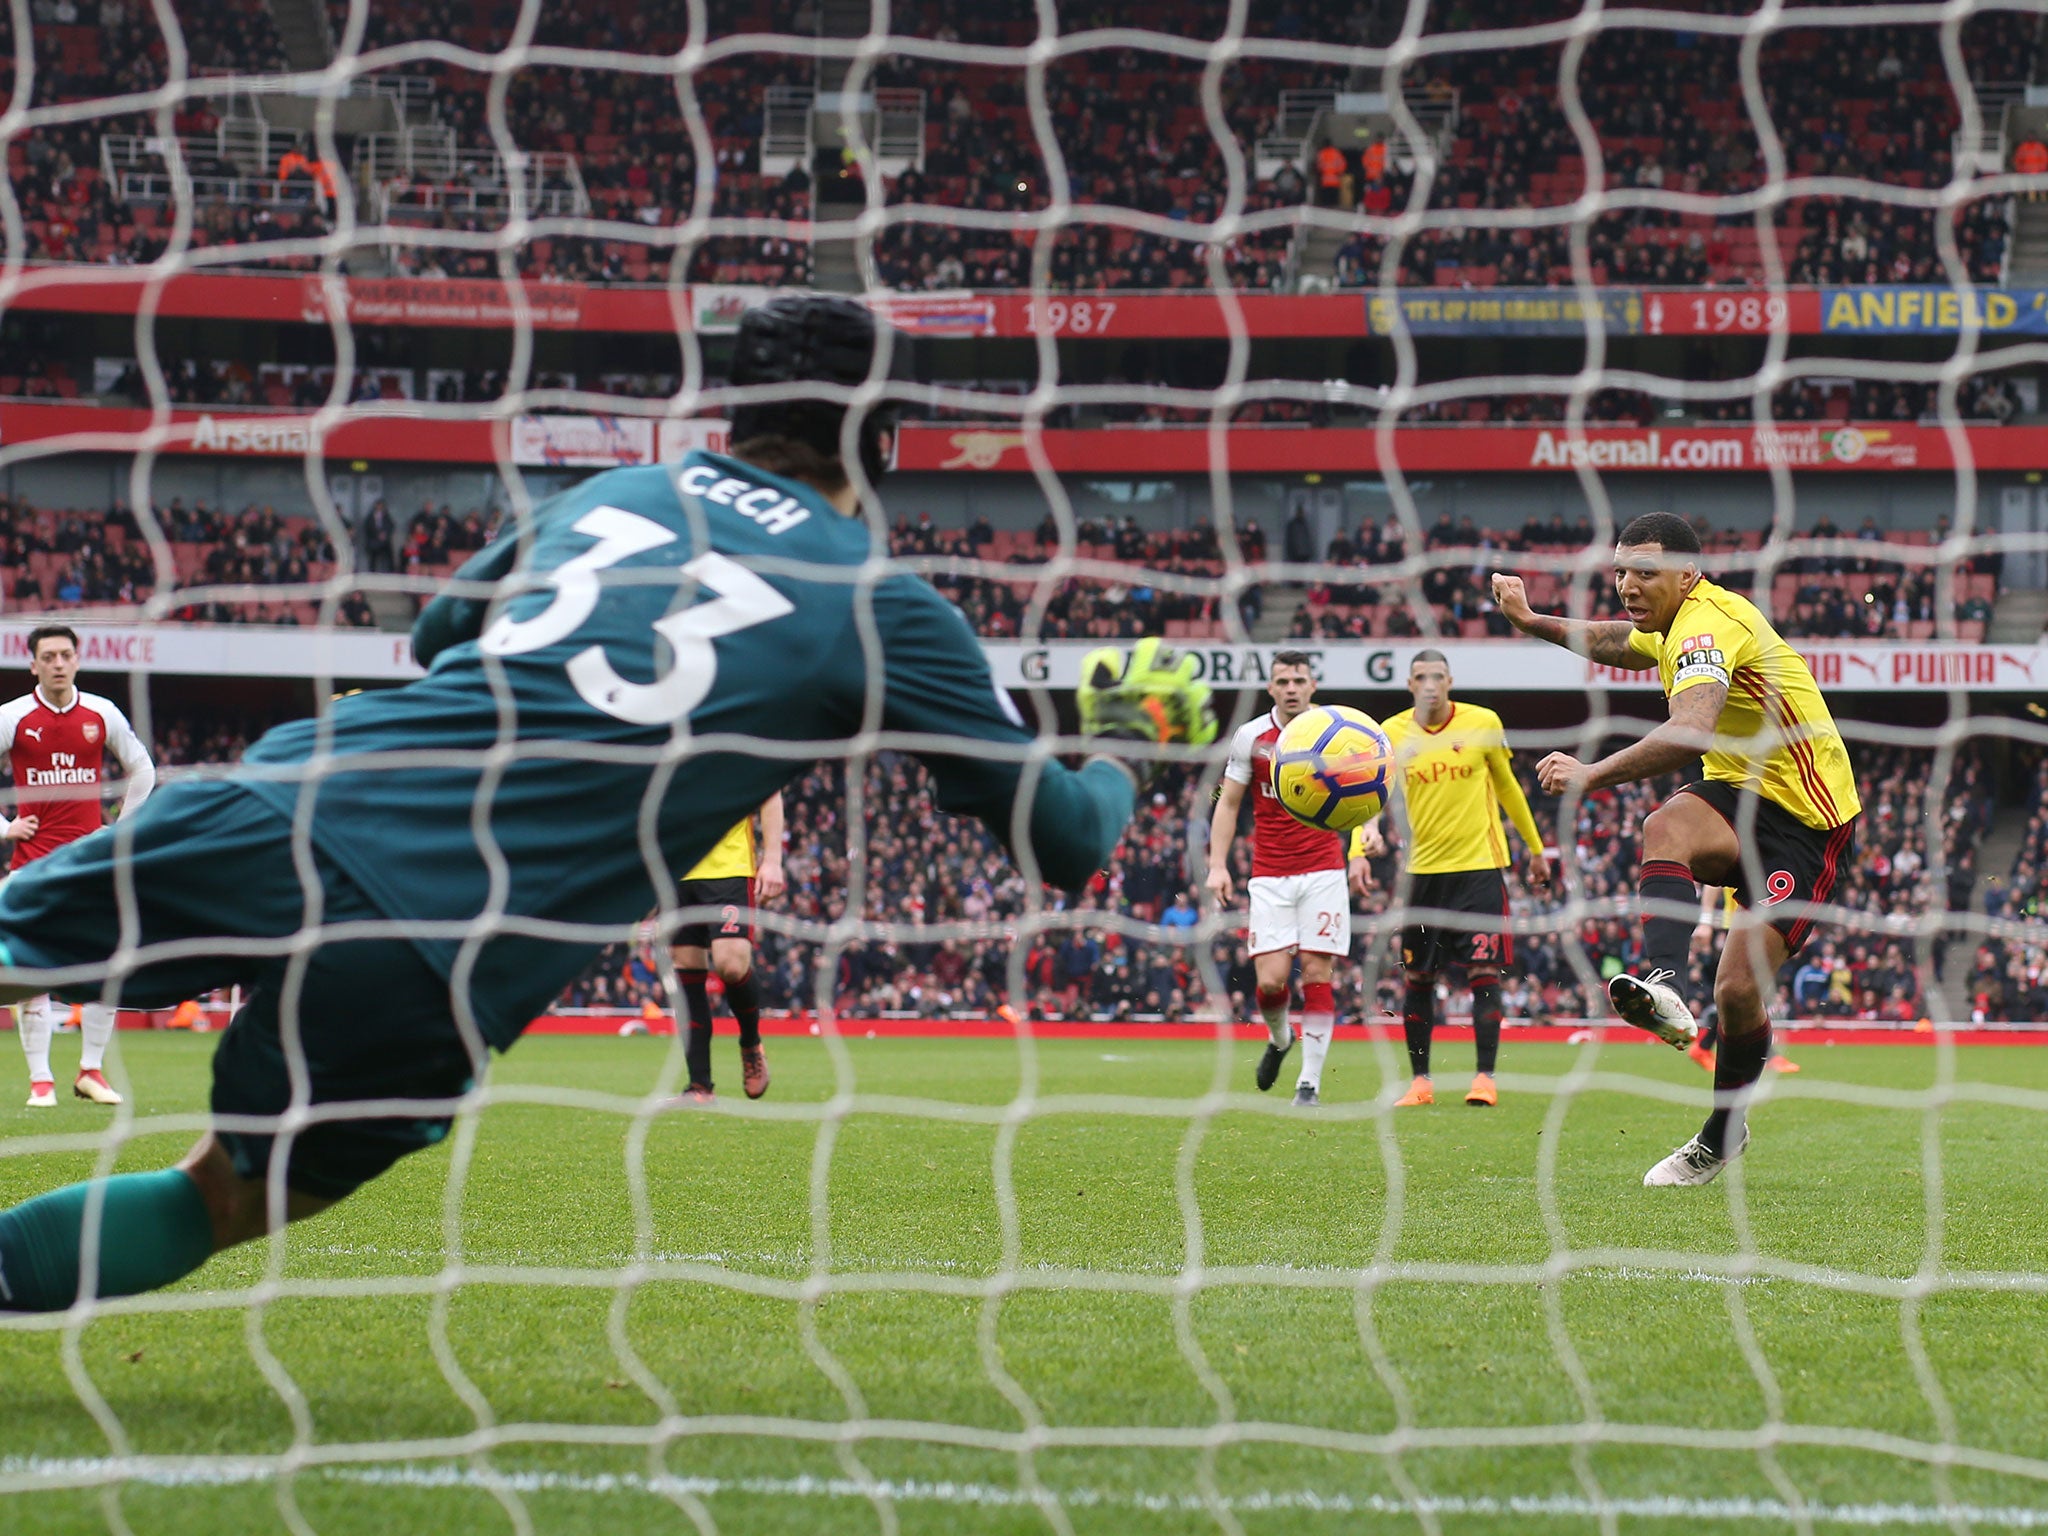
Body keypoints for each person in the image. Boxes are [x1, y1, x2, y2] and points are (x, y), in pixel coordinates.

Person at [0, 294, 1217, 1312]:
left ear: (733, 412)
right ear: (882, 441)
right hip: (443, 941)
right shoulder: (880, 603)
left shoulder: (612, 496)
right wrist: (1122, 751)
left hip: (287, 795)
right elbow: (1064, 842)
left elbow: (438, 634)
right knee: (229, 1191)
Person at [1492, 511, 1859, 1186]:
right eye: (1622, 572)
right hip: (1738, 795)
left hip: (1809, 822)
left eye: (1645, 573)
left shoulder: (1709, 624)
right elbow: (1611, 640)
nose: (1629, 585)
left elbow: (1689, 730)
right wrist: (1532, 621)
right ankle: (1666, 984)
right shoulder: (1672, 625)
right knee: (1663, 826)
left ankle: (1721, 1136)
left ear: (1687, 575)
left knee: (1740, 992)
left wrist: (1591, 774)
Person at [1347, 649, 1550, 1110]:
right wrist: (1360, 847)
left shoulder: (1483, 722)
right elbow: (1369, 795)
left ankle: (1485, 1078)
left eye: (1438, 676)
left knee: (1484, 972)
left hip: (1479, 868)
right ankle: (1421, 1082)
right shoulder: (1392, 734)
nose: (1431, 684)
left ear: (1451, 681)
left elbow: (1508, 789)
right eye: (1422, 677)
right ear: (1410, 684)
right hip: (1420, 876)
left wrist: (1536, 849)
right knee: (1418, 977)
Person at [0, 624, 157, 1108]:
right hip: (31, 866)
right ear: (33, 665)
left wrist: (118, 831)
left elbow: (144, 769)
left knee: (106, 966)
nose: (58, 663)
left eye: (65, 655)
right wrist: (4, 828)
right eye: (48, 657)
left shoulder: (102, 713)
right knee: (31, 971)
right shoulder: (13, 716)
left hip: (90, 867)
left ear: (77, 659)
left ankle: (90, 1070)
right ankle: (41, 1079)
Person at [1208, 652, 1349, 1106]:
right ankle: (1280, 1038)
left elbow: (1365, 787)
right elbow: (1227, 803)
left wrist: (1369, 837)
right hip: (1269, 874)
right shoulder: (1251, 736)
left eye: (1299, 680)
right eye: (1283, 680)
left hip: (1324, 868)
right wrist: (1217, 865)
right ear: (1271, 688)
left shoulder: (1335, 732)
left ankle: (1309, 1081)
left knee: (1316, 973)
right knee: (1270, 982)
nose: (1291, 687)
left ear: (1313, 685)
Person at [671, 793, 783, 1104]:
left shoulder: (738, 743)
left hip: (729, 868)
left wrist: (772, 860)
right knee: (685, 966)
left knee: (731, 965)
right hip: (675, 869)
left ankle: (750, 1043)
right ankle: (700, 1086)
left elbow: (771, 791)